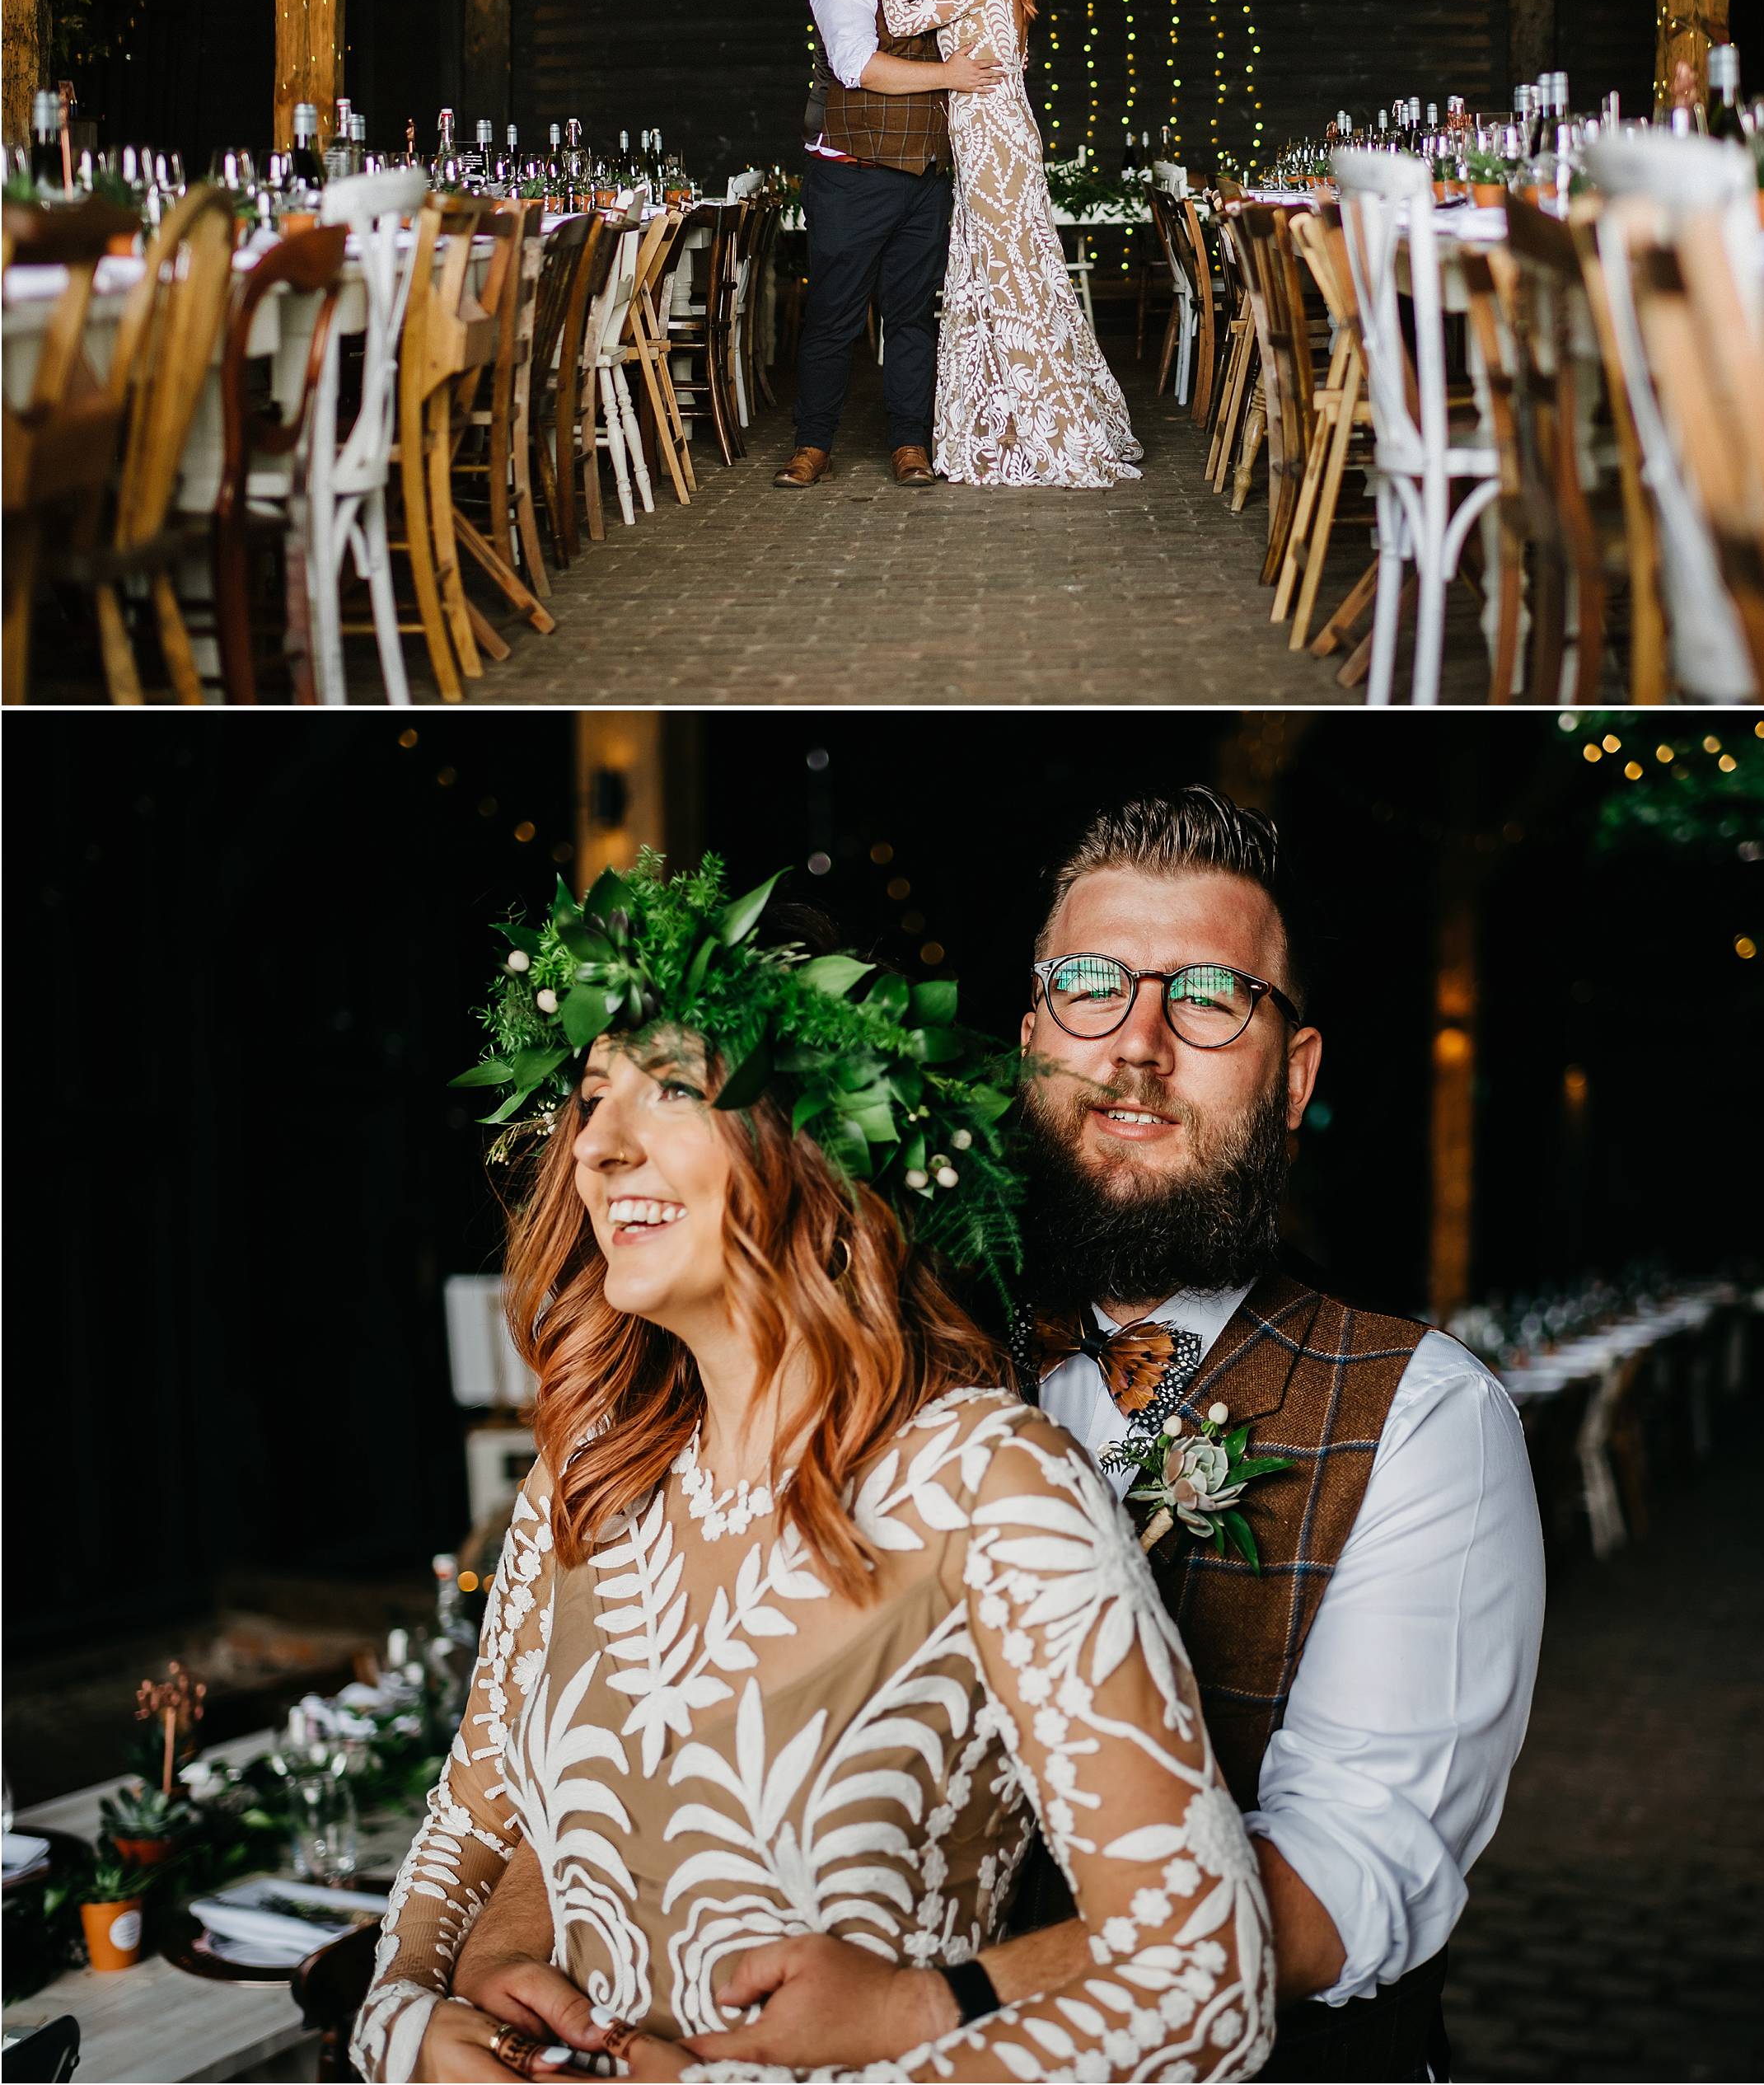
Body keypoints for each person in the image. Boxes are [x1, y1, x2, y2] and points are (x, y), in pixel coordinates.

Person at [452, 795, 1542, 2085]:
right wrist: (504, 1938)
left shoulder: (1420, 1417)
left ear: (1294, 1072)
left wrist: (935, 2002)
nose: (1137, 1044)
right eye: (1089, 987)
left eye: (1210, 998)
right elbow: (645, 1720)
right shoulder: (864, 1339)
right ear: (1030, 1036)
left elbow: (1344, 1884)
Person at [360, 844, 1274, 2083]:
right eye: (589, 1094)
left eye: (670, 1087)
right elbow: (465, 1827)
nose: (599, 1146)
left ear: (818, 1136)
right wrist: (413, 2019)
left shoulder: (990, 1483)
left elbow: (1208, 1973)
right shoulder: (584, 1479)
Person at [874, 0, 1141, 490]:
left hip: (991, 140)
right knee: (1008, 273)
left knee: (1009, 275)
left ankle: (1049, 426)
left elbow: (898, 20)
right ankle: (1009, 421)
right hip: (997, 138)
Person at [784, 0, 1003, 493]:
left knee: (912, 318)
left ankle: (911, 443)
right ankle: (812, 443)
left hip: (924, 179)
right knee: (834, 315)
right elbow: (858, 68)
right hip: (853, 179)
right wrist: (951, 77)